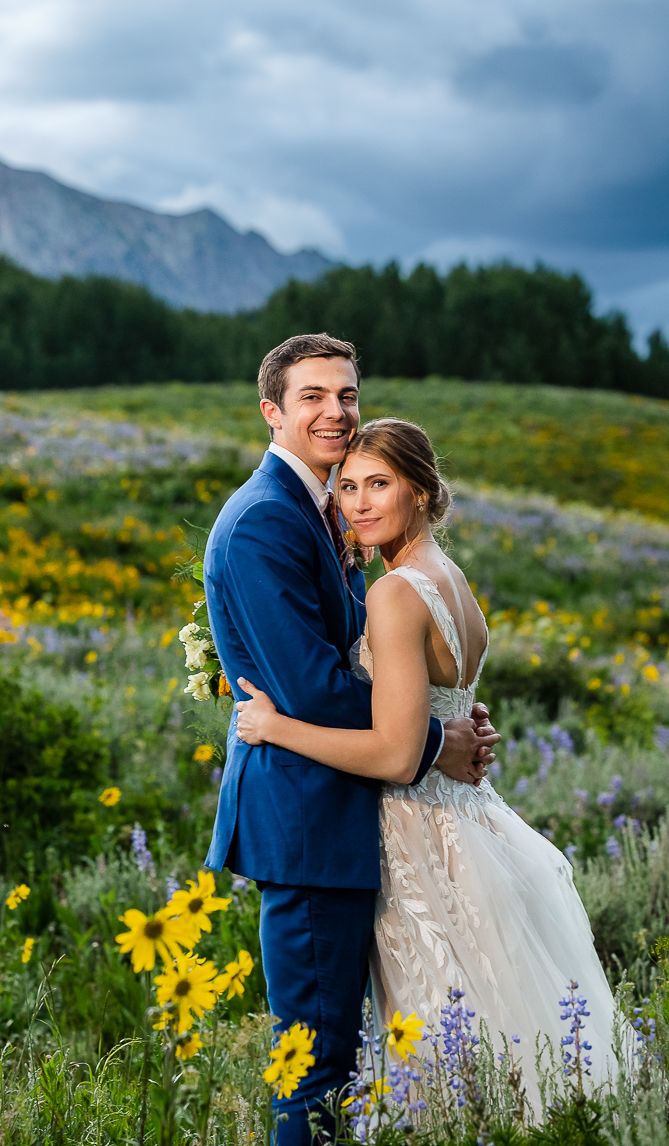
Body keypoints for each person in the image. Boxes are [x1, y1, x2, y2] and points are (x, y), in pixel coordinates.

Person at [235, 416, 621, 1107]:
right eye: (347, 486)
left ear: (419, 490)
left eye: (378, 484)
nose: (357, 502)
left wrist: (274, 725)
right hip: (475, 829)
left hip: (420, 844)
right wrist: (453, 733)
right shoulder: (449, 577)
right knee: (499, 1039)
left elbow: (392, 751)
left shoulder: (392, 592)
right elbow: (446, 703)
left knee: (442, 1059)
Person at [203, 336, 499, 1145]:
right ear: (272, 411)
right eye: (313, 396)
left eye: (347, 395)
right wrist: (437, 737)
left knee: (342, 1064)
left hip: (348, 817)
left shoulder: (319, 509)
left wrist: (438, 723)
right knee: (314, 1067)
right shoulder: (266, 520)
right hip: (306, 827)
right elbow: (315, 692)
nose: (335, 411)